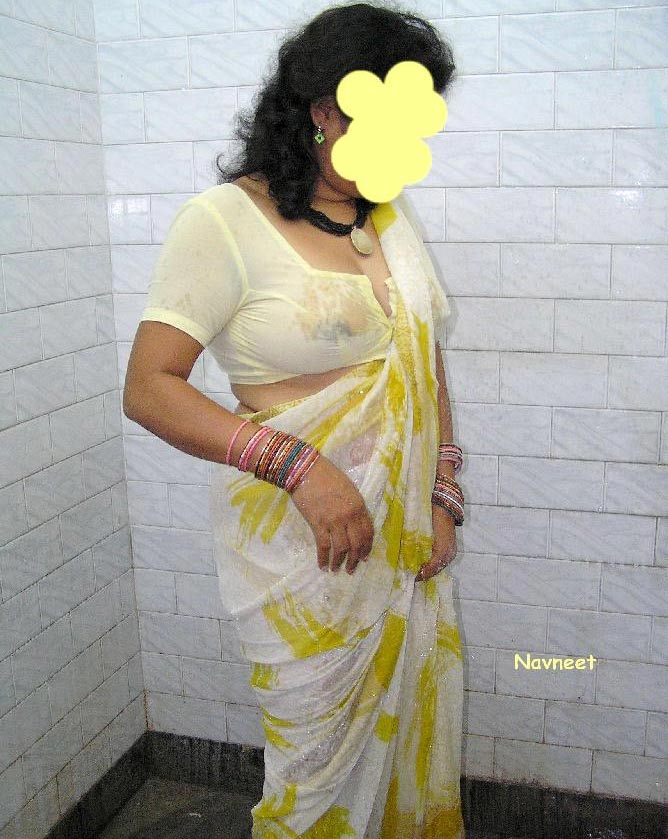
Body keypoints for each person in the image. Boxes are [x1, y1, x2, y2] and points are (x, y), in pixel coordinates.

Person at [123, 3, 466, 836]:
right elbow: (150, 387)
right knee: (312, 777)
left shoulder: (387, 216)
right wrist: (301, 467)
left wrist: (442, 492)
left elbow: (421, 358)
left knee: (407, 748)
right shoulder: (223, 221)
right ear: (324, 112)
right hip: (302, 548)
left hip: (401, 541)